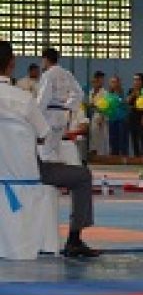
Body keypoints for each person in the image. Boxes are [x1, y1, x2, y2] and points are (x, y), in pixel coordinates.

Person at [1, 41, 100, 257]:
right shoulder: (23, 99)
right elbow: (43, 135)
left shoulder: (40, 84)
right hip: (26, 173)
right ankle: (74, 239)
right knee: (82, 176)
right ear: (12, 63)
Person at [36, 47, 85, 164]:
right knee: (56, 147)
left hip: (50, 114)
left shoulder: (48, 75)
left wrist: (36, 115)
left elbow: (43, 97)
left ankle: (51, 171)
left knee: (47, 149)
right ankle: (58, 168)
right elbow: (79, 93)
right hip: (63, 114)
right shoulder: (67, 74)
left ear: (45, 59)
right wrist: (68, 106)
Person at [126, 72, 143, 158]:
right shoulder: (131, 90)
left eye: (137, 80)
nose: (135, 82)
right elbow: (127, 102)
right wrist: (133, 94)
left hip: (142, 117)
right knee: (134, 138)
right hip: (132, 117)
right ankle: (136, 157)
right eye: (134, 80)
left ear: (142, 81)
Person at [87, 70, 110, 157]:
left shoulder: (105, 93)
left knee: (102, 136)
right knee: (94, 135)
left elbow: (106, 107)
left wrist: (102, 117)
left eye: (102, 80)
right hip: (94, 115)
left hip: (101, 115)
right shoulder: (91, 92)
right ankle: (94, 152)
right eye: (100, 79)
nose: (102, 81)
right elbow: (91, 104)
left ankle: (102, 155)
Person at [106, 75, 129, 156]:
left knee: (122, 141)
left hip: (121, 120)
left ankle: (124, 157)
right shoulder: (108, 94)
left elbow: (126, 106)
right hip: (112, 120)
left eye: (114, 82)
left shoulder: (122, 94)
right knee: (113, 140)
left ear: (118, 83)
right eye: (111, 82)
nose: (113, 84)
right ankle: (114, 157)